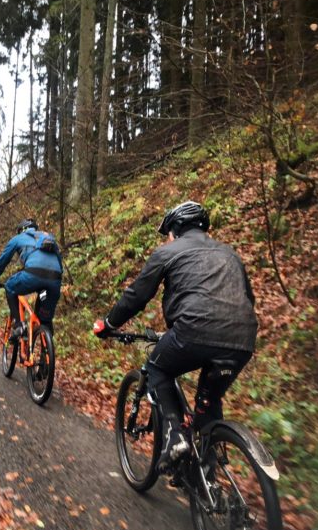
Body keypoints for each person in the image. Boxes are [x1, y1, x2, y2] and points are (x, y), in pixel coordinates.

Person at [93, 201, 257, 472]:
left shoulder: (168, 252)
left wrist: (109, 324)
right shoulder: (230, 255)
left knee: (157, 367)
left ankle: (175, 436)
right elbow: (247, 299)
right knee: (209, 399)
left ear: (176, 229)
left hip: (192, 331)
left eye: (168, 232)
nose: (167, 237)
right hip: (242, 340)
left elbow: (137, 295)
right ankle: (209, 465)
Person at [0, 218, 63, 339]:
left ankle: (19, 325)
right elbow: (59, 261)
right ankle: (47, 354)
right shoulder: (48, 237)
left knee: (10, 287)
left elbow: (2, 262)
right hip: (55, 279)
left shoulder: (18, 238)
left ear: (21, 230)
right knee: (45, 319)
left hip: (33, 274)